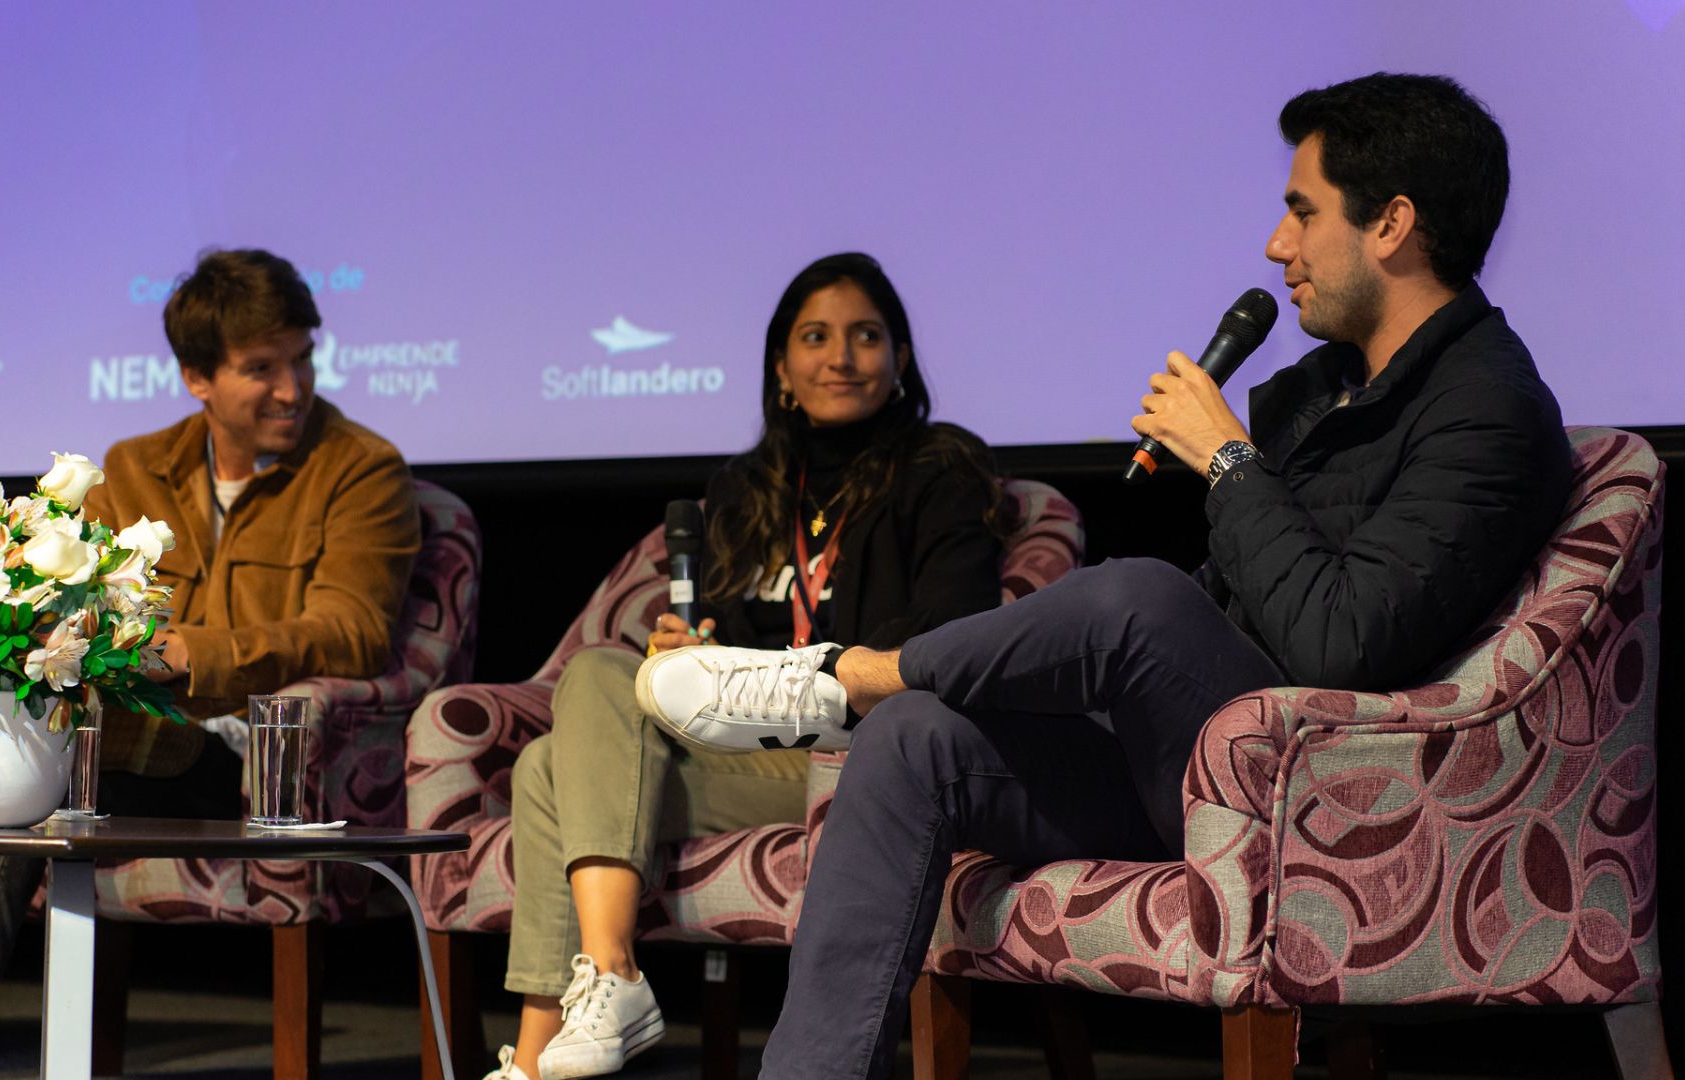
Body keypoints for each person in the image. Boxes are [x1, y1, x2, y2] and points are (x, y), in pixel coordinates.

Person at [638, 74, 1574, 1077]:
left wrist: (1228, 460)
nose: (1277, 246)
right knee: (913, 739)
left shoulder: (1489, 408)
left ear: (1392, 224)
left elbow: (1341, 644)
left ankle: (844, 675)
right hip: (1198, 772)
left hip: (1337, 795)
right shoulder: (1320, 390)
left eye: (1303, 213)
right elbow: (1241, 598)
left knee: (1140, 597)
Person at [0, 248, 421, 1079]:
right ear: (198, 377)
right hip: (124, 740)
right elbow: (79, 607)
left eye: (302, 359)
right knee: (29, 754)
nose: (293, 388)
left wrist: (193, 651)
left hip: (244, 757)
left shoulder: (362, 468)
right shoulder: (134, 466)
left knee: (39, 767)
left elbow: (353, 629)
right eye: (262, 368)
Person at [484, 253, 1007, 1080]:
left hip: (852, 753)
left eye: (867, 336)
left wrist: (811, 669)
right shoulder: (748, 488)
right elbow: (723, 634)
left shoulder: (941, 468)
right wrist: (693, 653)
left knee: (550, 771)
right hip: (742, 742)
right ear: (782, 367)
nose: (842, 357)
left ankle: (565, 1028)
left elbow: (955, 622)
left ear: (901, 358)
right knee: (599, 677)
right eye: (816, 337)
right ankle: (601, 989)